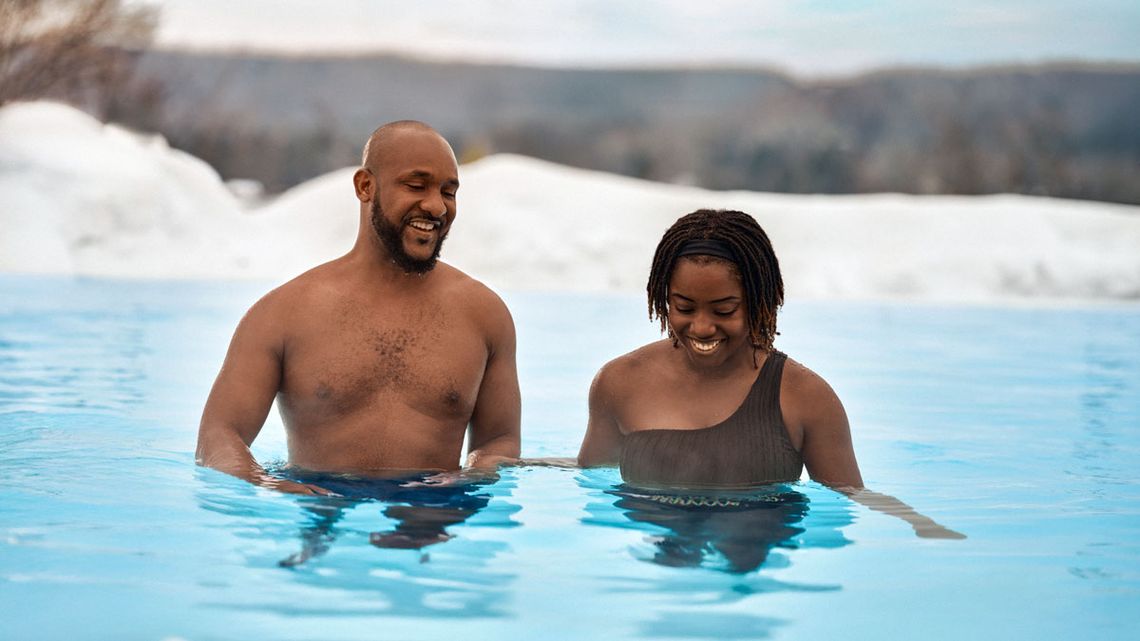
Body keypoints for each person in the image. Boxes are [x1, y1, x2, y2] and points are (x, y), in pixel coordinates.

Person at [579, 209, 962, 538]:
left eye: (724, 310)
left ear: (760, 301)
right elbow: (591, 481)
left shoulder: (805, 398)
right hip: (657, 548)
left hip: (757, 549)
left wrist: (916, 522)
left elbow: (849, 496)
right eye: (684, 307)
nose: (701, 327)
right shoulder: (620, 383)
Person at [196, 120, 521, 495]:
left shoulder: (484, 315)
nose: (435, 206)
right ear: (365, 186)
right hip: (320, 501)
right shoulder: (284, 313)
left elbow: (499, 440)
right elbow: (218, 435)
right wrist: (265, 482)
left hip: (432, 508)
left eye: (448, 192)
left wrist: (469, 480)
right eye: (416, 186)